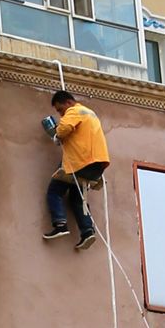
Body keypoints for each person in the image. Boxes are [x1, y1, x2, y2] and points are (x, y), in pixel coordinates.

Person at [42, 90, 110, 251]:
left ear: (68, 102)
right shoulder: (90, 113)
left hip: (81, 161)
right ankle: (87, 231)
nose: (61, 114)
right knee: (77, 198)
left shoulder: (74, 111)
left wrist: (57, 135)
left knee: (54, 191)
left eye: (60, 110)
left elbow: (64, 128)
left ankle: (60, 225)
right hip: (97, 164)